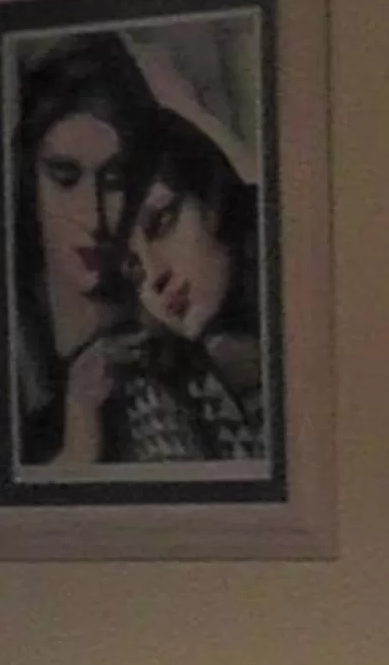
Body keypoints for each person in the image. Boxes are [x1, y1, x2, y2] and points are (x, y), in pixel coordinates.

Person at [4, 32, 154, 467]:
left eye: (113, 180)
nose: (94, 219)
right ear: (28, 180)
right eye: (65, 177)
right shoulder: (4, 341)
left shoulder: (161, 320)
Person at [103, 98, 266, 463]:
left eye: (162, 221)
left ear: (212, 199)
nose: (155, 276)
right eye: (132, 266)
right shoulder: (154, 391)